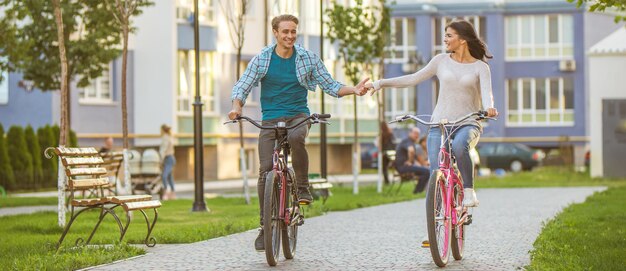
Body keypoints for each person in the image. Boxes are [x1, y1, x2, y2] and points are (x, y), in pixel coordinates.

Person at [228, 14, 369, 251]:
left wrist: (354, 90)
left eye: (293, 31)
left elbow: (330, 85)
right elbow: (243, 86)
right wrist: (236, 107)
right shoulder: (263, 59)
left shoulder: (307, 58)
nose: (290, 36)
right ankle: (265, 226)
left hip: (298, 115)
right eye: (285, 32)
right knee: (264, 170)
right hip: (271, 118)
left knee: (296, 138)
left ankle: (302, 186)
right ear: (275, 32)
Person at [366, 20, 498, 208]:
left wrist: (489, 107)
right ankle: (435, 226)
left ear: (463, 40)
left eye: (449, 35)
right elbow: (412, 78)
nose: (445, 39)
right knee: (436, 173)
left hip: (467, 123)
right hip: (439, 124)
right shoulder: (440, 61)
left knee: (461, 146)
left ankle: (469, 191)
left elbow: (487, 94)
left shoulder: (480, 67)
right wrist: (379, 83)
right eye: (445, 35)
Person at [394, 127, 430, 194]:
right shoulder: (408, 141)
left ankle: (421, 191)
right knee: (426, 172)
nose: (417, 135)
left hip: (404, 166)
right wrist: (410, 161)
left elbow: (414, 157)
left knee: (425, 171)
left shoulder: (408, 141)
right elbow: (411, 150)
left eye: (418, 134)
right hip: (403, 167)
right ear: (410, 133)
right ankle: (417, 191)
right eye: (415, 133)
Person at [159, 124, 176, 200]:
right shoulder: (169, 137)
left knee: (164, 176)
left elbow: (163, 149)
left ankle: (166, 192)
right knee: (169, 177)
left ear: (162, 130)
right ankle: (173, 193)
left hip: (168, 158)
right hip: (170, 158)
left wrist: (161, 159)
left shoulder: (165, 137)